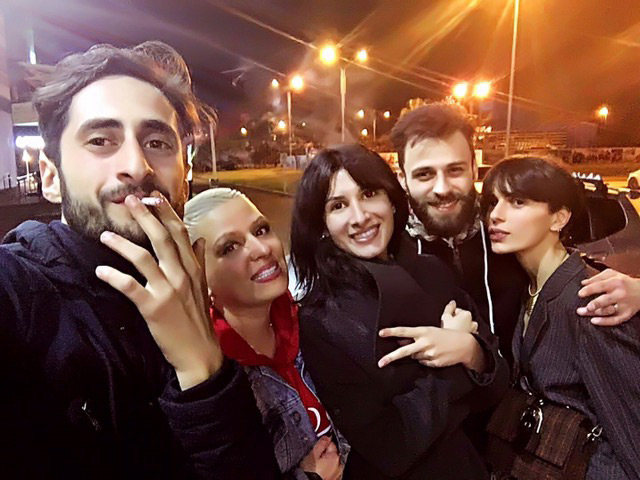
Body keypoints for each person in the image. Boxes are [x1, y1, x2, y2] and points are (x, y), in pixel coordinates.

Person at [0, 42, 279, 478]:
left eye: (157, 142)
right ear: (51, 177)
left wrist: (203, 371)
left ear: (186, 175)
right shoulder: (19, 291)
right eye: (100, 140)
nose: (136, 164)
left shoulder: (190, 291)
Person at [290, 144, 509, 480]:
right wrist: (455, 365)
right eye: (338, 205)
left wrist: (471, 350)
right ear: (322, 223)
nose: (359, 216)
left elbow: (497, 385)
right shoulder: (323, 318)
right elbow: (389, 446)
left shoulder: (432, 271)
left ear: (392, 199)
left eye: (369, 194)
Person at [390, 102, 640, 364]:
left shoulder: (504, 233)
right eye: (424, 174)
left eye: (455, 170)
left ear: (473, 168)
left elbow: (562, 263)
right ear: (403, 178)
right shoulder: (392, 252)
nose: (442, 188)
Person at [481, 156, 640, 479]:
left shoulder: (588, 298)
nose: (496, 215)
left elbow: (629, 422)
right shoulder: (532, 287)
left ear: (559, 218)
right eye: (493, 202)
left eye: (517, 202)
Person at [183, 188, 349, 480]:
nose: (261, 249)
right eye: (229, 247)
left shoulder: (318, 322)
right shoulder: (210, 382)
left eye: (261, 230)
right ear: (200, 278)